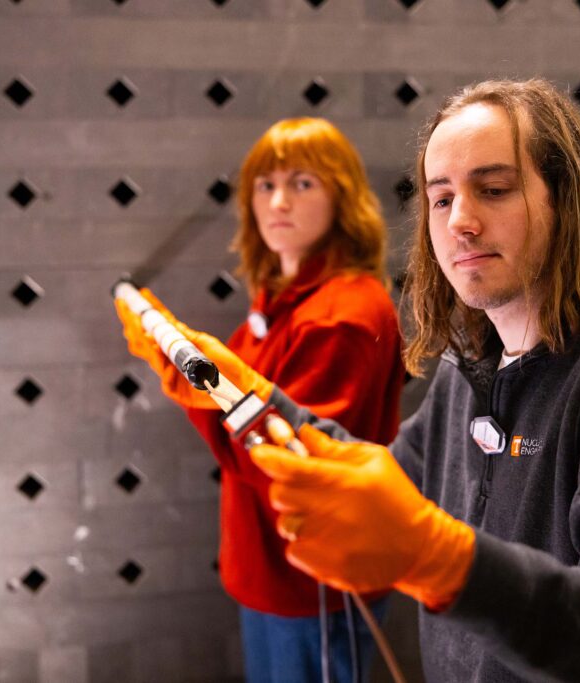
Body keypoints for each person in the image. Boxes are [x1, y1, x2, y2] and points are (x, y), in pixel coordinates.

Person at [178, 79, 580, 682]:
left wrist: (444, 563)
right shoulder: (470, 366)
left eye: (493, 190)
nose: (461, 221)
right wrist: (235, 393)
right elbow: (378, 477)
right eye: (441, 199)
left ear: (566, 200)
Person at [114, 117, 406, 682]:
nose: (278, 201)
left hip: (313, 582)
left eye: (302, 183)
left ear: (341, 195)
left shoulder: (341, 315)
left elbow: (289, 461)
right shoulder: (282, 302)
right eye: (265, 185)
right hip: (268, 573)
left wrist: (188, 380)